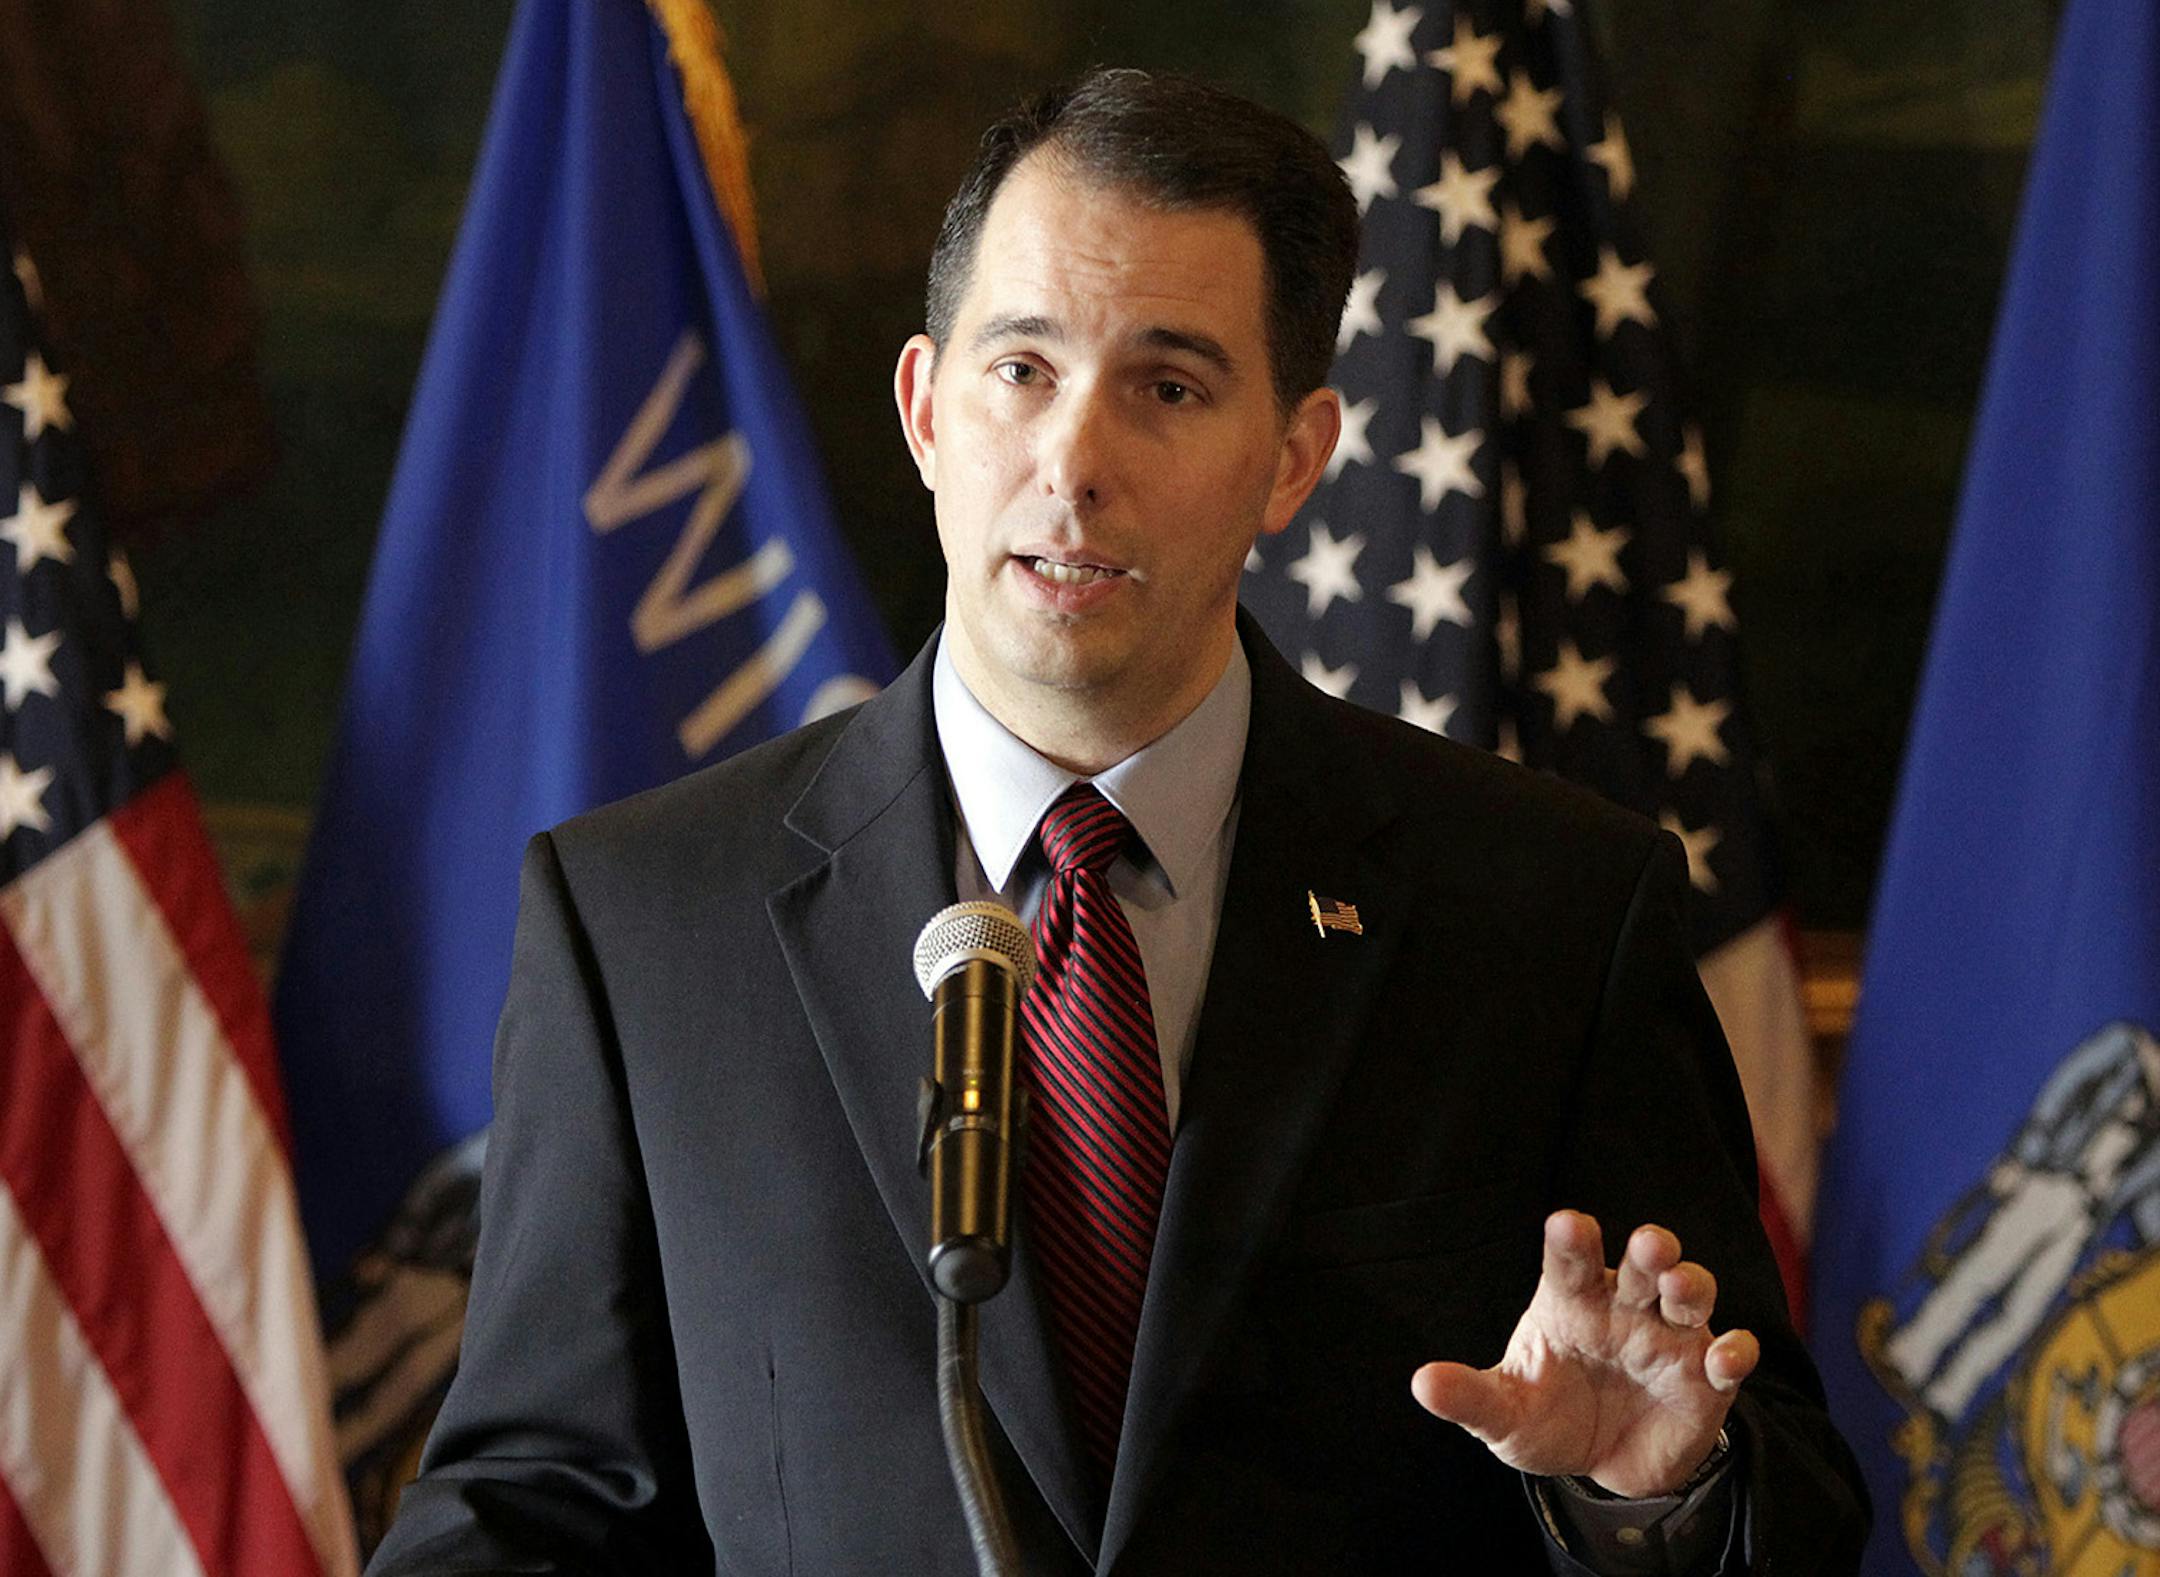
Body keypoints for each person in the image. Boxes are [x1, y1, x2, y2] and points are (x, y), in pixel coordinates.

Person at [367, 69, 1867, 1575]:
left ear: (1294, 457)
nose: (1074, 464)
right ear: (924, 410)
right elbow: (530, 1507)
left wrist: (1640, 1503)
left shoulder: (1549, 910)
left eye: (1169, 386)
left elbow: (1783, 1507)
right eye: (1021, 369)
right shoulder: (641, 917)